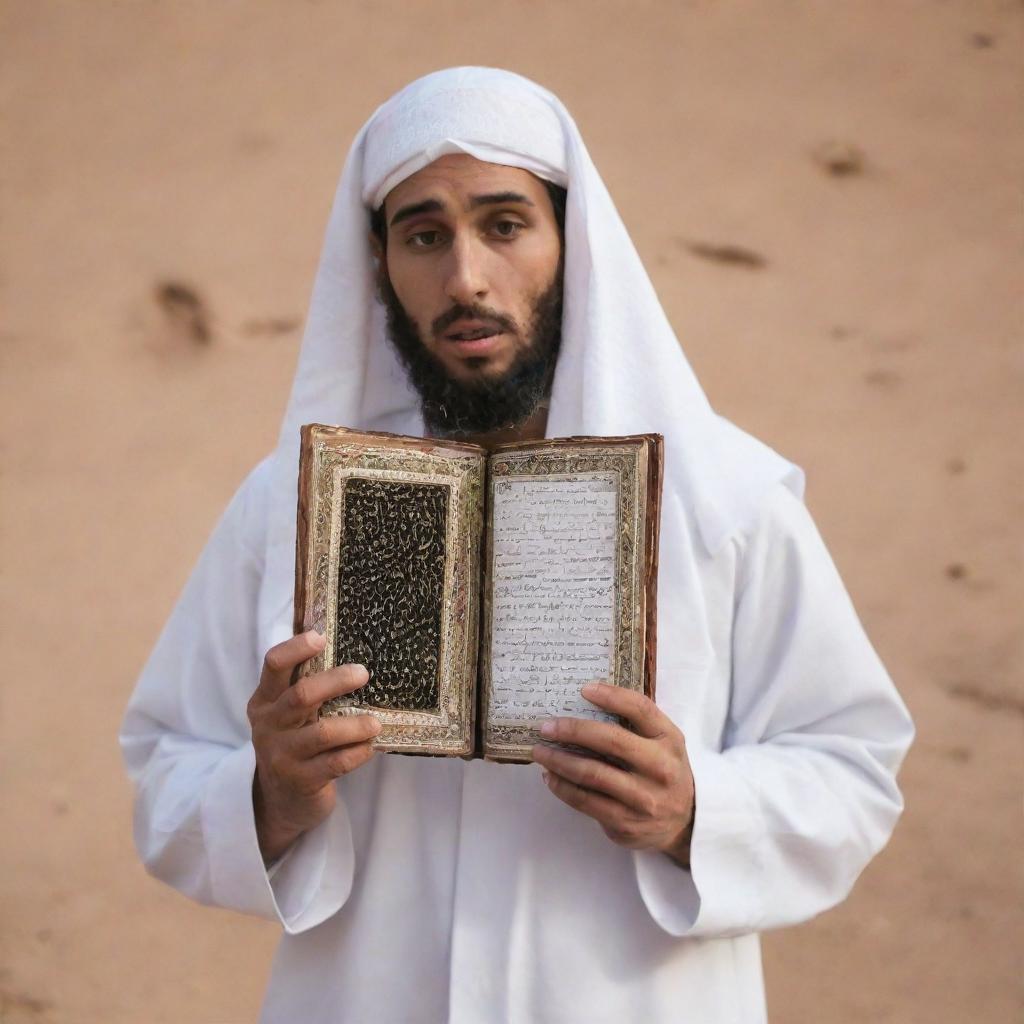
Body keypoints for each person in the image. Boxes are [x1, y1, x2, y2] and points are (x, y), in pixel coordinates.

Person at [121, 67, 914, 1024]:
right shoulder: (290, 508)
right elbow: (168, 757)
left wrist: (698, 811)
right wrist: (269, 793)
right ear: (378, 266)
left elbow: (852, 763)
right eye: (424, 235)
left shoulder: (725, 497)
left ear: (569, 243)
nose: (465, 279)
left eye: (505, 225)